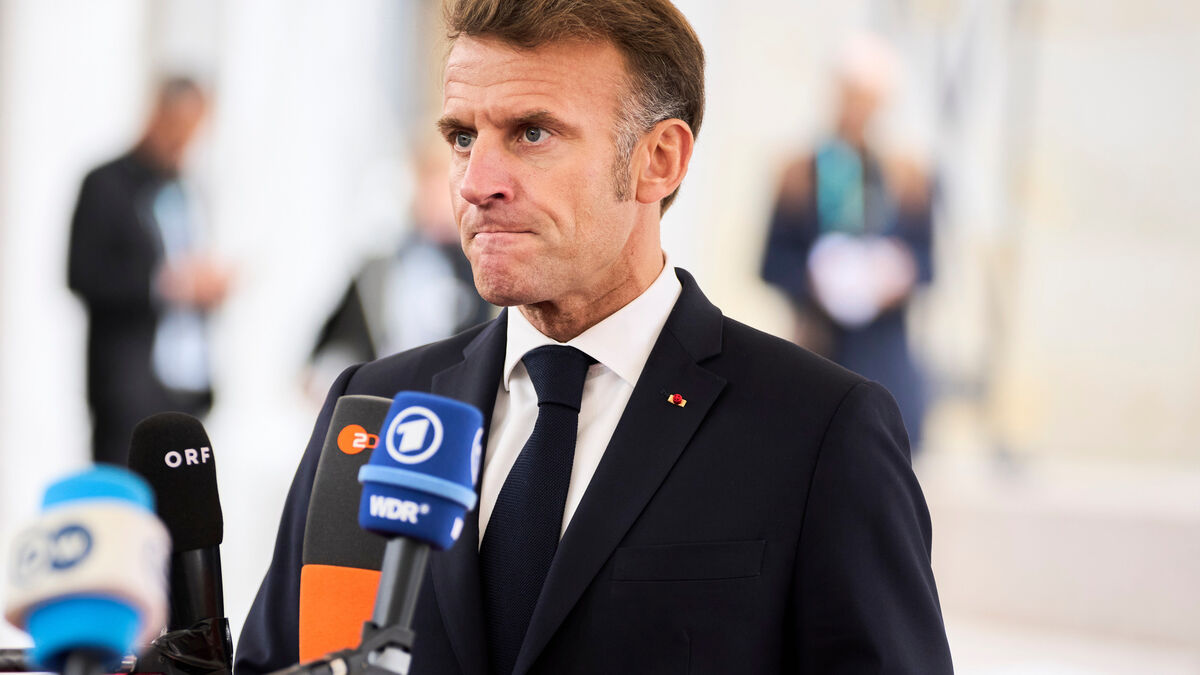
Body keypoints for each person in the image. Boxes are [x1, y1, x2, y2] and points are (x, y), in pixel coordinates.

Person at [237, 2, 953, 673]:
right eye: (462, 137)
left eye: (532, 133)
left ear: (659, 160)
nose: (476, 183)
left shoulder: (820, 429)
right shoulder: (376, 407)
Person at [761, 33, 935, 447]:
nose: (858, 110)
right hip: (820, 351)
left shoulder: (907, 178)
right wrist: (817, 279)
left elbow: (928, 266)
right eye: (850, 96)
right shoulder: (801, 174)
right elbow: (771, 262)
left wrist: (895, 276)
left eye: (868, 99)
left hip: (885, 359)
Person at [67, 77, 232, 466]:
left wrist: (208, 286)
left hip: (187, 386)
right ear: (157, 116)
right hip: (127, 391)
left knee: (182, 500)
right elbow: (82, 274)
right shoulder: (106, 184)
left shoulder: (188, 190)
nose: (185, 141)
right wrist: (165, 285)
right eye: (180, 127)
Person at [308, 147, 493, 387]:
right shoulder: (380, 268)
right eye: (430, 184)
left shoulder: (484, 265)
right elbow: (330, 353)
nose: (439, 198)